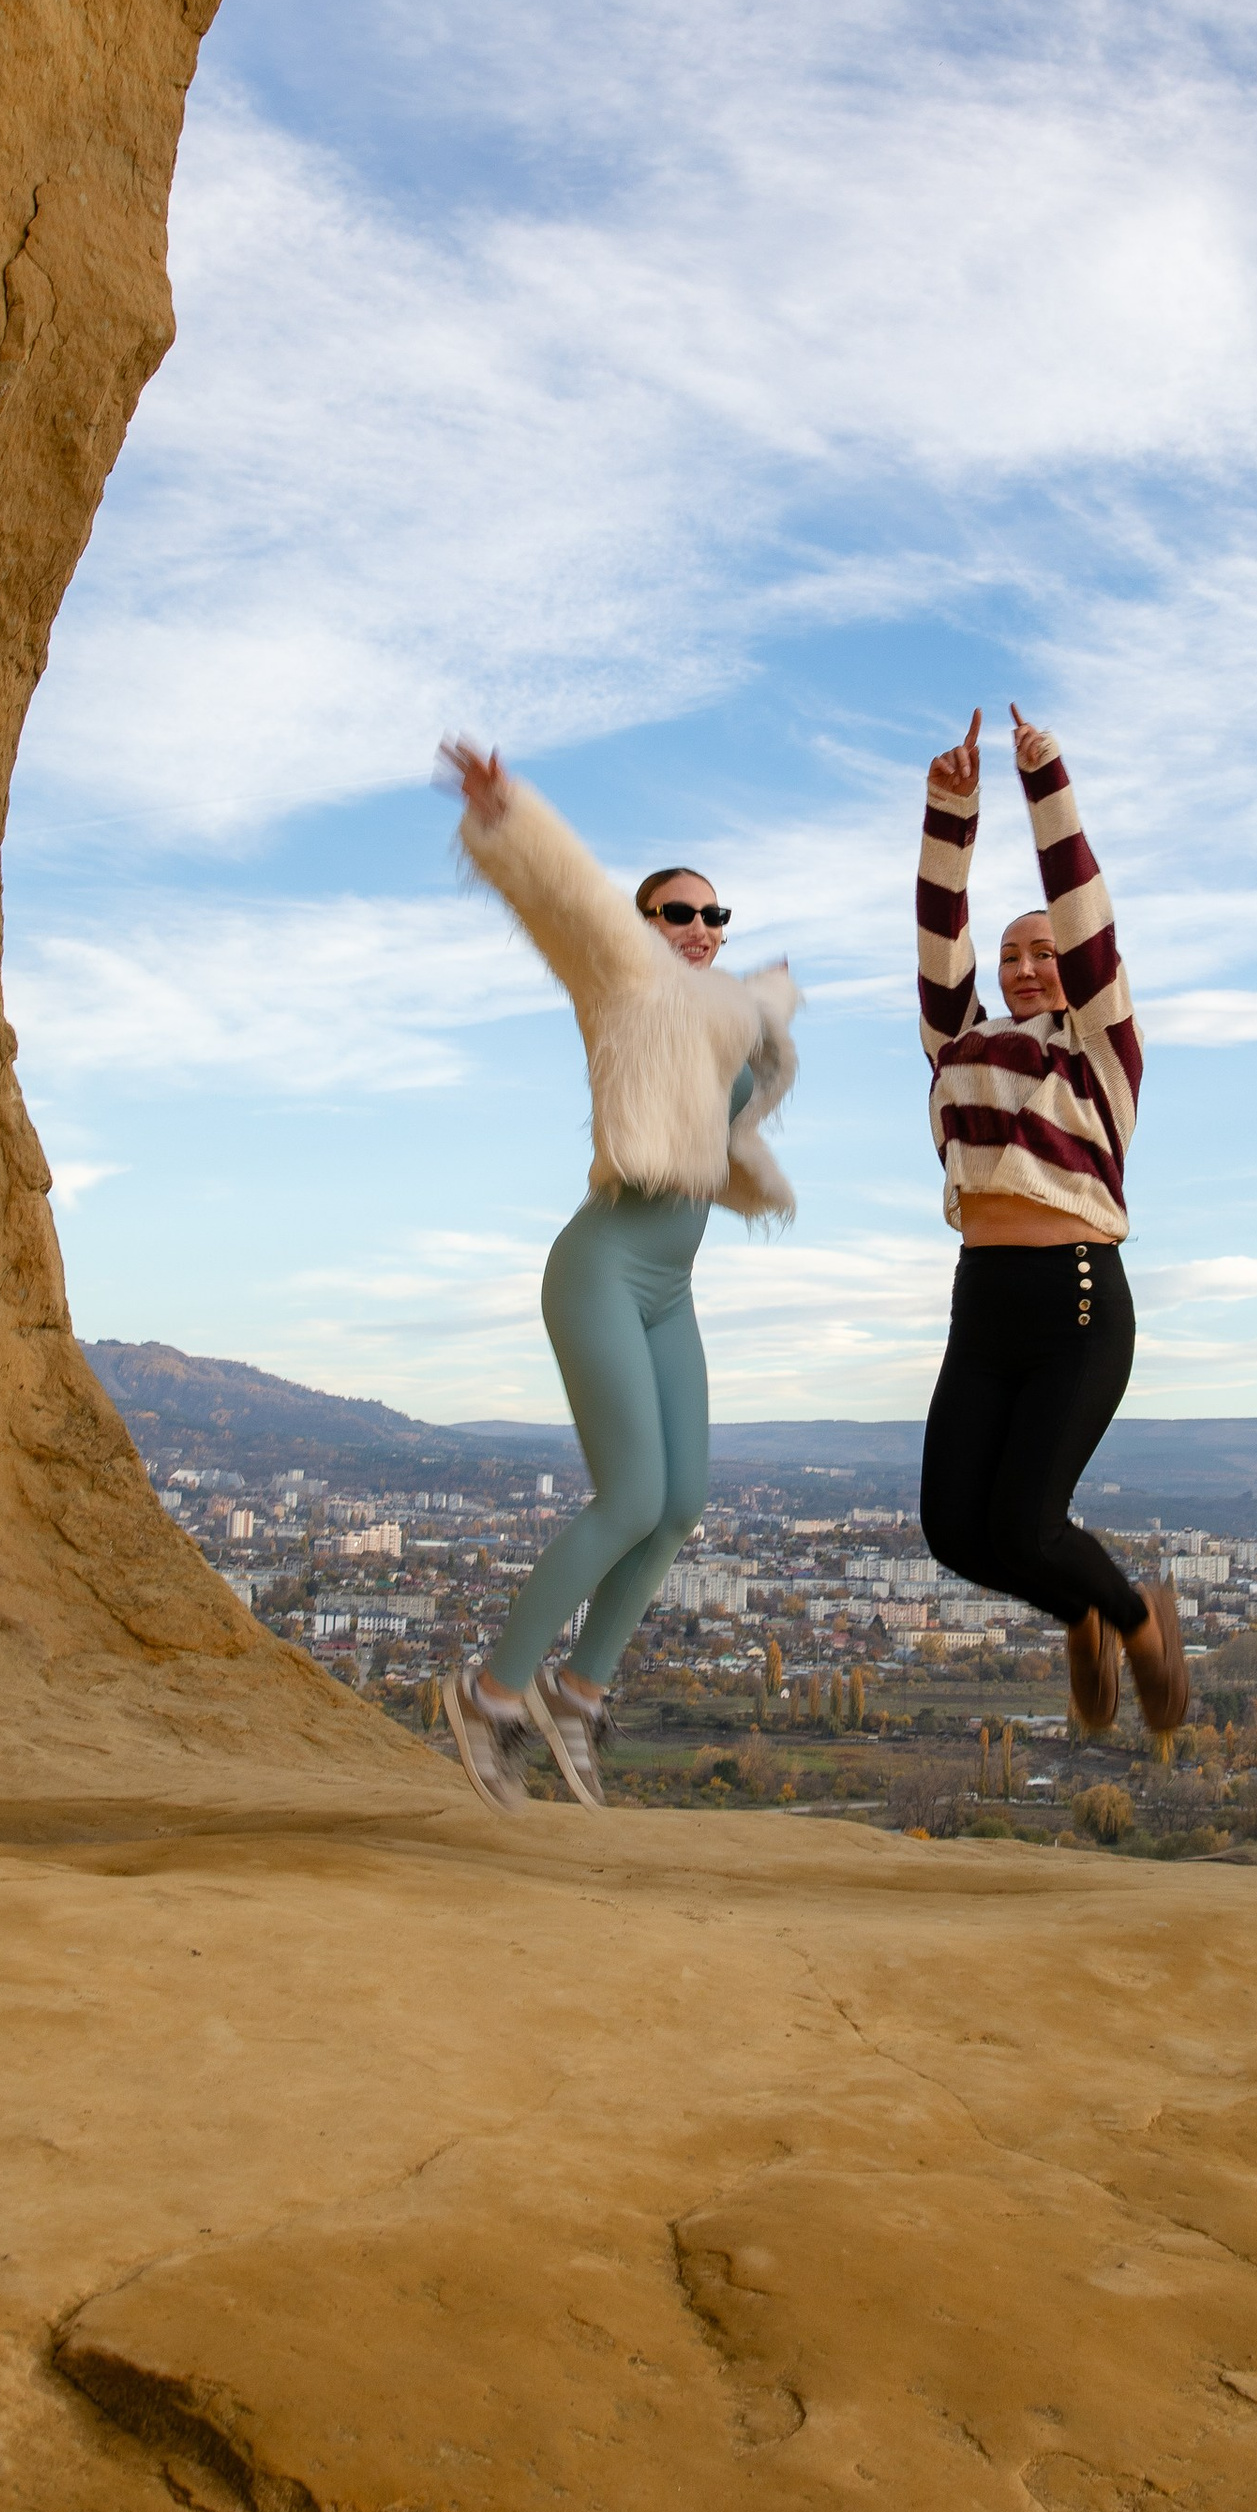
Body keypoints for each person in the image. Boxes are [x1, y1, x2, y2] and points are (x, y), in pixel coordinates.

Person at [436, 740, 799, 1813]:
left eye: (712, 916)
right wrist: (508, 817)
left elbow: (749, 1064)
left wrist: (771, 1024)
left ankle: (578, 1696)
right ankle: (491, 1695)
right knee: (628, 1494)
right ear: (646, 927)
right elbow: (568, 899)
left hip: (670, 1287)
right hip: (601, 1263)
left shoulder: (729, 1015)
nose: (698, 929)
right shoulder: (621, 974)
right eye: (677, 914)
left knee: (680, 1503)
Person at [915, 704, 1186, 1745]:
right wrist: (949, 807)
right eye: (1011, 954)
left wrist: (1043, 783)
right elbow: (940, 929)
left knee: (1026, 1521)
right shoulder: (958, 1044)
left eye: (1043, 952)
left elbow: (1083, 909)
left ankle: (1135, 1620)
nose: (1026, 965)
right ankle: (1081, 1607)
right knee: (955, 1532)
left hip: (1076, 1301)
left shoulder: (1100, 1049)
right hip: (981, 1306)